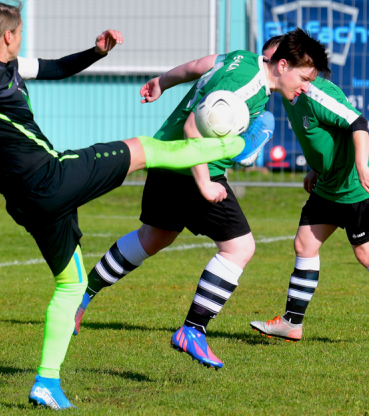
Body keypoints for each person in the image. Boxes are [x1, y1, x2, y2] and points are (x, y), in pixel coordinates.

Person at [0, 2, 272, 410]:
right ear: (9, 36)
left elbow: (57, 68)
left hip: (28, 199)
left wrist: (96, 52)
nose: (22, 37)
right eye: (20, 31)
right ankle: (238, 145)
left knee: (70, 284)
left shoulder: (9, 67)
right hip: (50, 178)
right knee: (146, 149)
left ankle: (46, 383)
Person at [73, 45, 290, 370]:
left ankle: (82, 295)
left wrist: (161, 82)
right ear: (281, 62)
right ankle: (193, 330)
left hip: (166, 156)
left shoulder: (239, 59)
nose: (306, 85)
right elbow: (193, 127)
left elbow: (197, 65)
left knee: (152, 237)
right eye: (305, 76)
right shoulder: (249, 83)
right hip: (194, 168)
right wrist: (204, 182)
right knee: (239, 247)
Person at [249, 29, 369, 344]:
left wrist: (362, 166)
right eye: (265, 60)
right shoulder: (286, 92)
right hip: (329, 184)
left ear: (286, 63)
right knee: (305, 244)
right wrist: (316, 169)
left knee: (368, 254)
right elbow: (323, 136)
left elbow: (357, 123)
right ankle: (291, 323)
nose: (267, 66)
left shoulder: (314, 92)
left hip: (358, 186)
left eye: (271, 60)